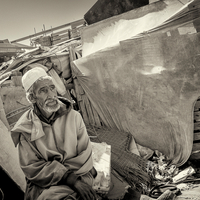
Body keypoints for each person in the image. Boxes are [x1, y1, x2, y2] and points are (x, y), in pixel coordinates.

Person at [11, 67, 98, 200]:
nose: (51, 95)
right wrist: (70, 179)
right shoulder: (25, 129)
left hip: (80, 173)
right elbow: (33, 168)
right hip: (45, 184)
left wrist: (74, 179)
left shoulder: (74, 117)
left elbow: (84, 155)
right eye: (43, 91)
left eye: (52, 88)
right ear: (32, 97)